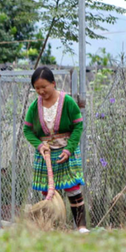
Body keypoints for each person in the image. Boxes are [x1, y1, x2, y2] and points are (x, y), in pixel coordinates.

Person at [23, 67, 88, 233]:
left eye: (44, 86)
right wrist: (39, 145)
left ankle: (81, 227)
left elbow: (78, 126)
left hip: (66, 151)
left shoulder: (67, 102)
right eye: (37, 88)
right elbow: (28, 130)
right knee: (47, 193)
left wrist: (69, 150)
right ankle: (49, 228)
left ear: (53, 83)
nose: (41, 91)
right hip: (45, 154)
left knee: (73, 189)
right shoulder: (34, 107)